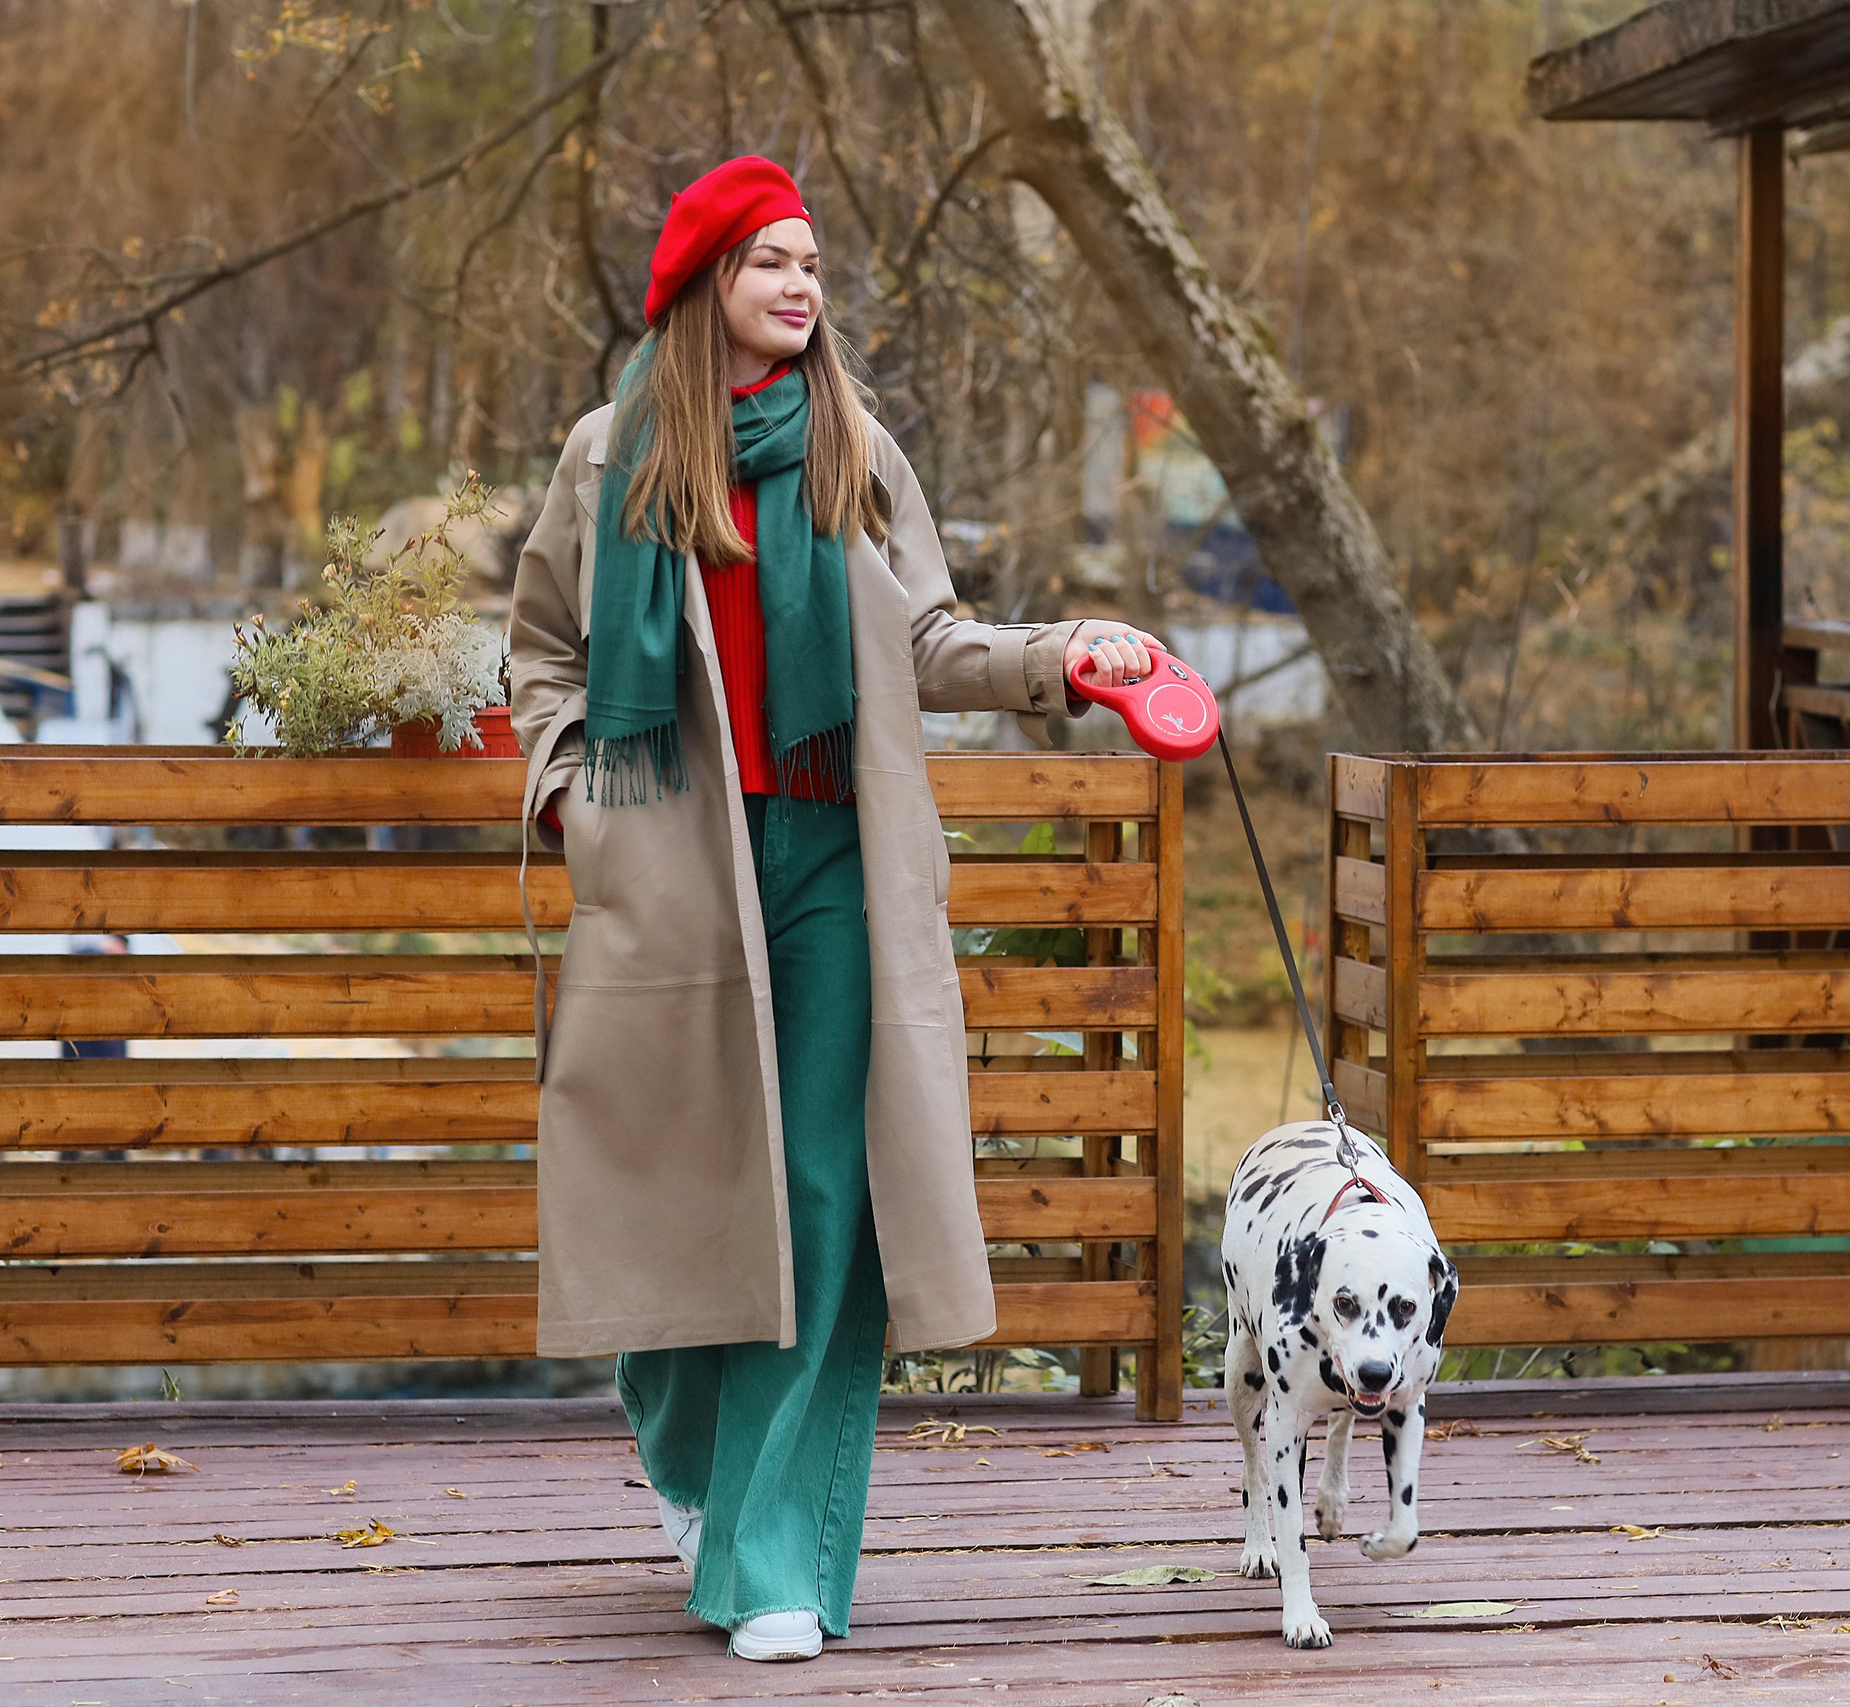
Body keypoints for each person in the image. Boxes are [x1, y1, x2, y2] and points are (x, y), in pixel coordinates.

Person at [505, 155, 1159, 1663]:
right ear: (701, 290)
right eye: (769, 264)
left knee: (820, 1195)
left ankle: (771, 1562)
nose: (801, 287)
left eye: (811, 264)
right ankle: (692, 1461)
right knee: (673, 1193)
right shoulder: (613, 458)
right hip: (668, 872)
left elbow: (930, 638)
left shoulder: (860, 452)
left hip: (831, 872)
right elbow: (541, 649)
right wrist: (566, 796)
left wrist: (1067, 653)